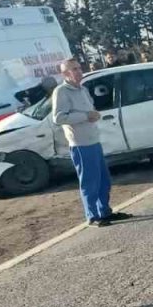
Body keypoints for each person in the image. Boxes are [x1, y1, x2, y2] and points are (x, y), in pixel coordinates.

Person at [52, 58, 132, 228]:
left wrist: (93, 114)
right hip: (80, 144)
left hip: (93, 140)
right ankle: (92, 215)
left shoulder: (83, 89)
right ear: (65, 74)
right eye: (74, 69)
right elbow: (58, 118)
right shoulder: (62, 92)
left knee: (104, 179)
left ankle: (104, 211)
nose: (79, 71)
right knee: (90, 181)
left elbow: (90, 110)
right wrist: (85, 116)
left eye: (79, 68)